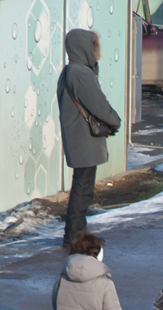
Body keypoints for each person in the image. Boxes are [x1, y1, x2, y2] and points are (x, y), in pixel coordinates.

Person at [57, 29, 122, 249]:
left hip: (79, 138)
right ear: (83, 48)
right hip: (83, 139)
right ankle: (73, 237)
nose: (96, 52)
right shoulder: (80, 73)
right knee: (82, 190)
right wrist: (114, 121)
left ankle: (77, 233)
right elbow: (98, 103)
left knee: (82, 187)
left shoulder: (71, 71)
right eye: (93, 47)